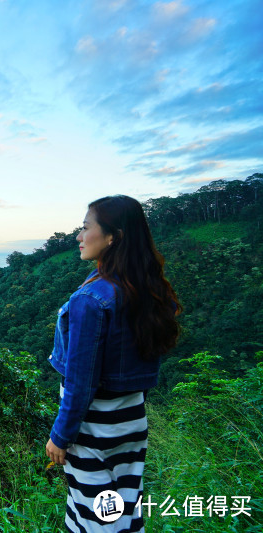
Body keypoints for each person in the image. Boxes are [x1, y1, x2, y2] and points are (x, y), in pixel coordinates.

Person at [45, 195, 181, 532]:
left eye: (85, 227)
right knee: (124, 506)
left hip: (95, 426)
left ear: (112, 237)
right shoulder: (144, 288)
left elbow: (81, 381)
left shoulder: (90, 299)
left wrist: (60, 436)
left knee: (95, 515)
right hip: (131, 418)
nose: (78, 236)